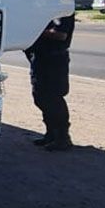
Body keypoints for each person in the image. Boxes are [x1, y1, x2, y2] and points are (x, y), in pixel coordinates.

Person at [25, 14, 75, 151]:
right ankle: (51, 134)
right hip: (40, 57)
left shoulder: (62, 10)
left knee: (53, 97)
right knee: (40, 97)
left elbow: (60, 34)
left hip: (54, 59)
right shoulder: (44, 9)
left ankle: (62, 137)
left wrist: (34, 32)